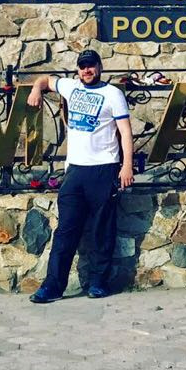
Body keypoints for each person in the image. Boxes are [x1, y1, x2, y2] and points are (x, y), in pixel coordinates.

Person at [26, 49, 133, 302]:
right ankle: (52, 287)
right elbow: (44, 80)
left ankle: (98, 283)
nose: (87, 70)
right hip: (75, 170)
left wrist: (126, 166)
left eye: (91, 65)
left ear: (100, 67)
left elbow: (126, 132)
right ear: (78, 69)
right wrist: (35, 90)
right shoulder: (71, 87)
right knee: (65, 232)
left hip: (105, 168)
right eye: (82, 66)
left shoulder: (113, 94)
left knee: (101, 230)